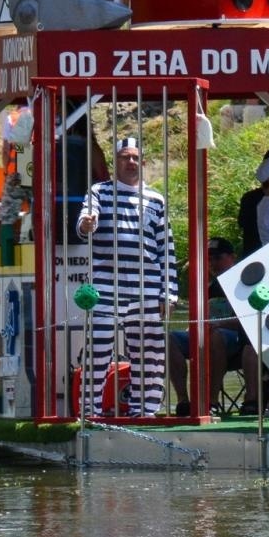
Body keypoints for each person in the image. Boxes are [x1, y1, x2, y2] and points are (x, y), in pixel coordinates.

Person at [77, 137, 178, 418]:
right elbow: (85, 221)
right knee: (97, 350)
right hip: (105, 285)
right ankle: (90, 411)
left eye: (135, 157)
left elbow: (166, 249)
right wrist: (87, 223)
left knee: (151, 353)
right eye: (124, 157)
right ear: (115, 161)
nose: (130, 162)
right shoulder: (99, 192)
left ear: (143, 163)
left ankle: (144, 411)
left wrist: (168, 291)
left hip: (148, 286)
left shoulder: (157, 200)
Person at [166, 236, 259, 417]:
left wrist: (217, 324)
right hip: (208, 334)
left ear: (232, 257)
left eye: (217, 258)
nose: (212, 263)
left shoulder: (245, 283)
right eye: (208, 259)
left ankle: (211, 401)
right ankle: (184, 401)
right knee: (169, 338)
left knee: (214, 335)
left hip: (237, 341)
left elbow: (251, 319)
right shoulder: (208, 288)